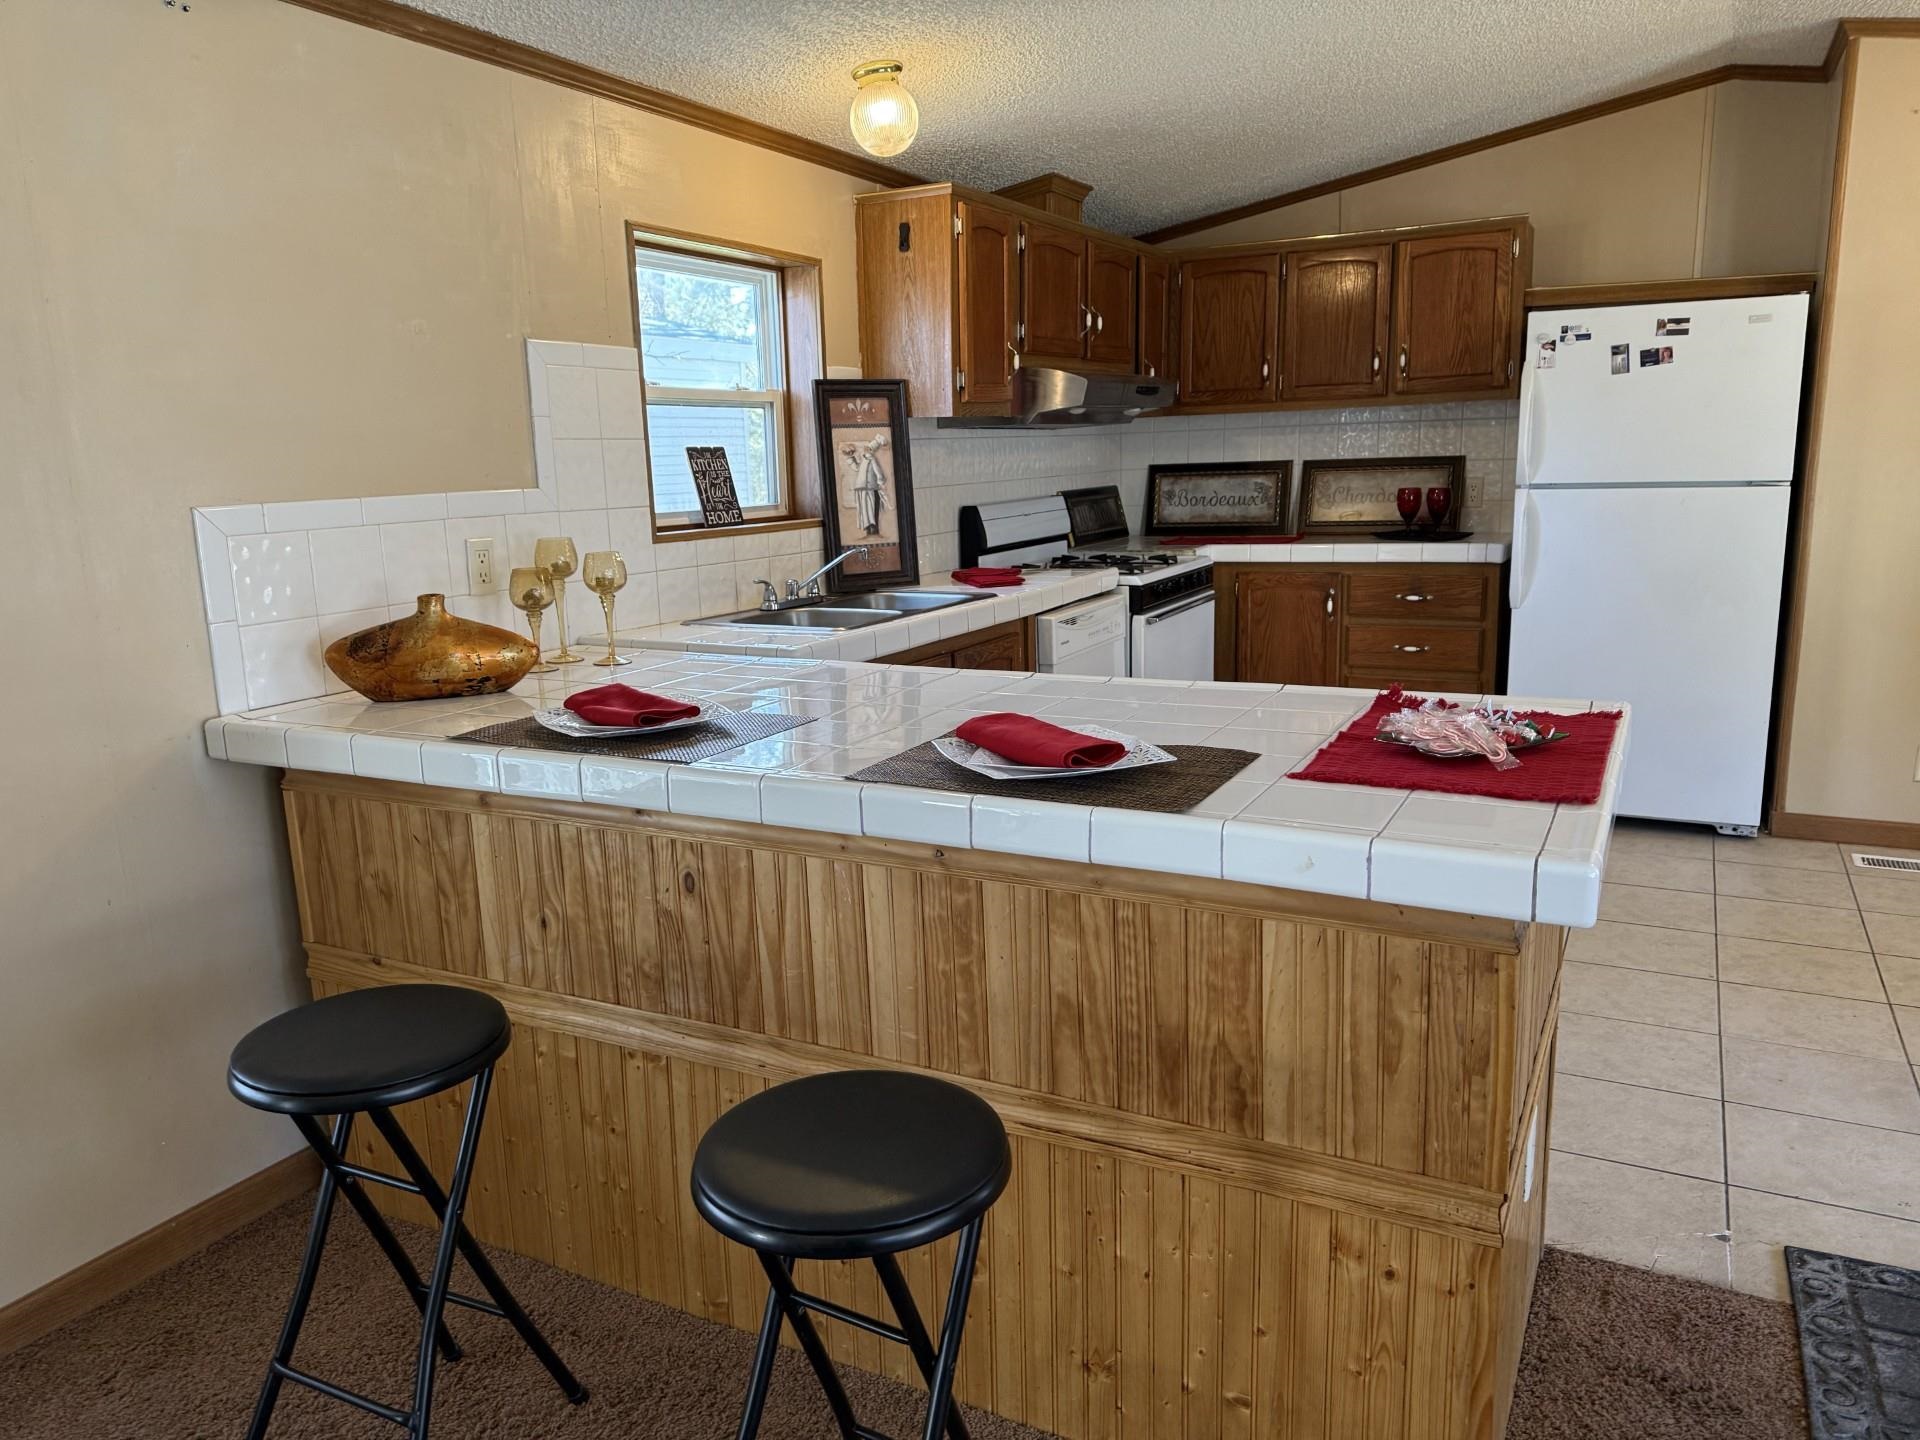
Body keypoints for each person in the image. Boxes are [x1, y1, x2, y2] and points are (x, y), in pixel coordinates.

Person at [842, 433, 891, 537]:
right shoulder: (864, 460)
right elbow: (857, 468)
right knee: (865, 511)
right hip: (862, 489)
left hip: (870, 489)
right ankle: (868, 529)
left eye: (868, 448)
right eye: (866, 448)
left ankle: (873, 530)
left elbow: (879, 473)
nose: (865, 449)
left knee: (871, 509)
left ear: (871, 450)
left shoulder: (872, 460)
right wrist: (850, 457)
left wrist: (880, 482)